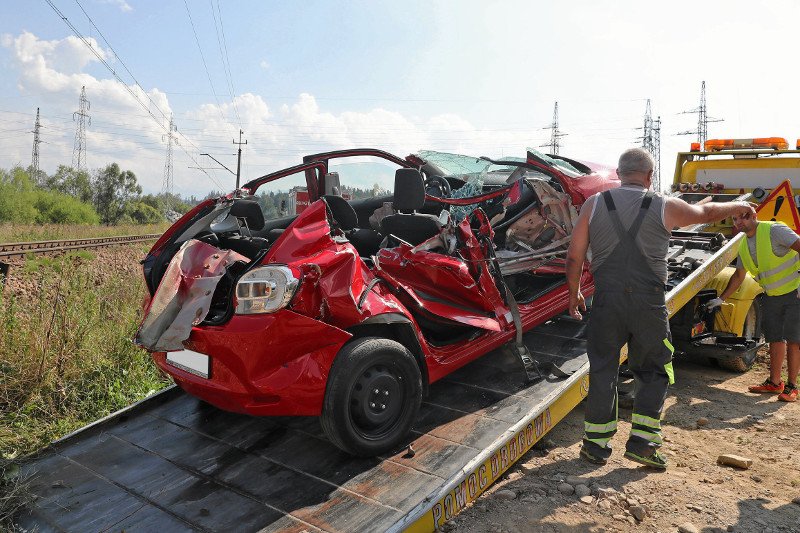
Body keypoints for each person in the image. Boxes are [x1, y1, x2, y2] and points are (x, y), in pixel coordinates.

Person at [566, 148, 756, 470]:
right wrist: (740, 205)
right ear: (650, 176)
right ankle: (643, 444)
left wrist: (574, 294)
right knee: (654, 369)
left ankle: (595, 446)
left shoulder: (594, 204)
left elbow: (574, 256)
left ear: (619, 172)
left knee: (602, 369)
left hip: (607, 302)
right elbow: (704, 216)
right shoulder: (664, 204)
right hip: (649, 304)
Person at [707, 211, 800, 402]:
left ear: (754, 216)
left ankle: (792, 386)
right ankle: (775, 383)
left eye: (743, 217)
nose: (739, 222)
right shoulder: (742, 244)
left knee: (794, 340)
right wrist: (722, 298)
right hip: (772, 295)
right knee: (775, 338)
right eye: (735, 219)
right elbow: (739, 276)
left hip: (794, 292)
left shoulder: (774, 230)